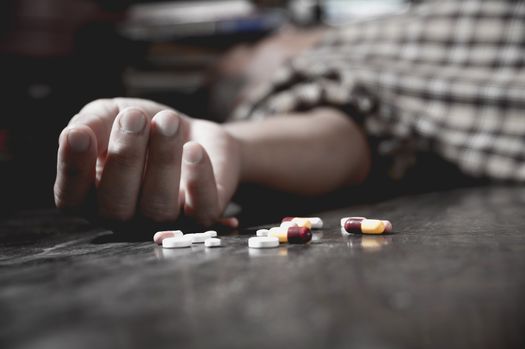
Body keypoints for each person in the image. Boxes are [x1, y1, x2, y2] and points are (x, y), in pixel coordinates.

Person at [54, 0, 525, 228]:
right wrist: (235, 143)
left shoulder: (400, 25)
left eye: (241, 50)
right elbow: (341, 128)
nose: (245, 54)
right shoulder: (336, 71)